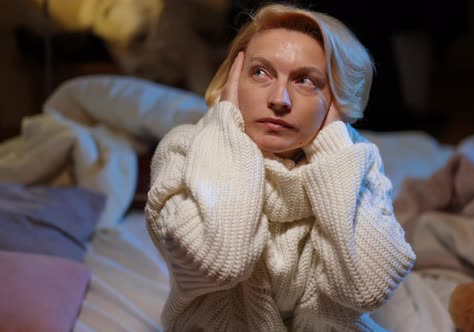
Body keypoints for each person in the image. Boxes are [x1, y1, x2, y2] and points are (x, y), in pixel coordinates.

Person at [145, 3, 416, 331]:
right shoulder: (183, 151)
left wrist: (333, 146)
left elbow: (367, 289)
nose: (279, 99)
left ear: (336, 103)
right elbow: (220, 262)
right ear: (234, 78)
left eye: (305, 80)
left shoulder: (354, 161)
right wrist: (227, 127)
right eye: (260, 72)